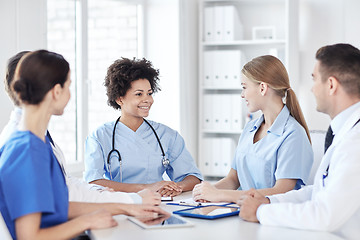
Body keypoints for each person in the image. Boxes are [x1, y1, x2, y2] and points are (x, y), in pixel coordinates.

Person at [0, 50, 168, 239]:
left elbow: (56, 205)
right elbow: (28, 237)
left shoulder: (36, 142)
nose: (70, 95)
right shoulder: (26, 150)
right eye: (69, 86)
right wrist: (87, 221)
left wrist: (126, 207)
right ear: (56, 91)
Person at [237, 43, 360, 239]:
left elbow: (325, 215)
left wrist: (261, 212)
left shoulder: (355, 142)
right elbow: (319, 191)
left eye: (314, 80)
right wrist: (268, 202)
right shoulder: (344, 133)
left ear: (331, 85)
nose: (312, 89)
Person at [193, 55, 313, 203]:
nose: (242, 95)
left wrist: (219, 195)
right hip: (243, 212)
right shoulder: (250, 128)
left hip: (274, 217)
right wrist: (206, 192)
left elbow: (280, 192)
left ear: (262, 88)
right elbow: (233, 179)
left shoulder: (293, 134)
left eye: (244, 87)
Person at [84, 57, 202, 197]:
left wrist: (176, 186)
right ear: (119, 98)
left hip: (158, 204)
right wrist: (146, 187)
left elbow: (193, 178)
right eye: (139, 94)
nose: (148, 100)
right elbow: (93, 182)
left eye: (149, 93)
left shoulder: (167, 135)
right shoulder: (100, 136)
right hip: (119, 204)